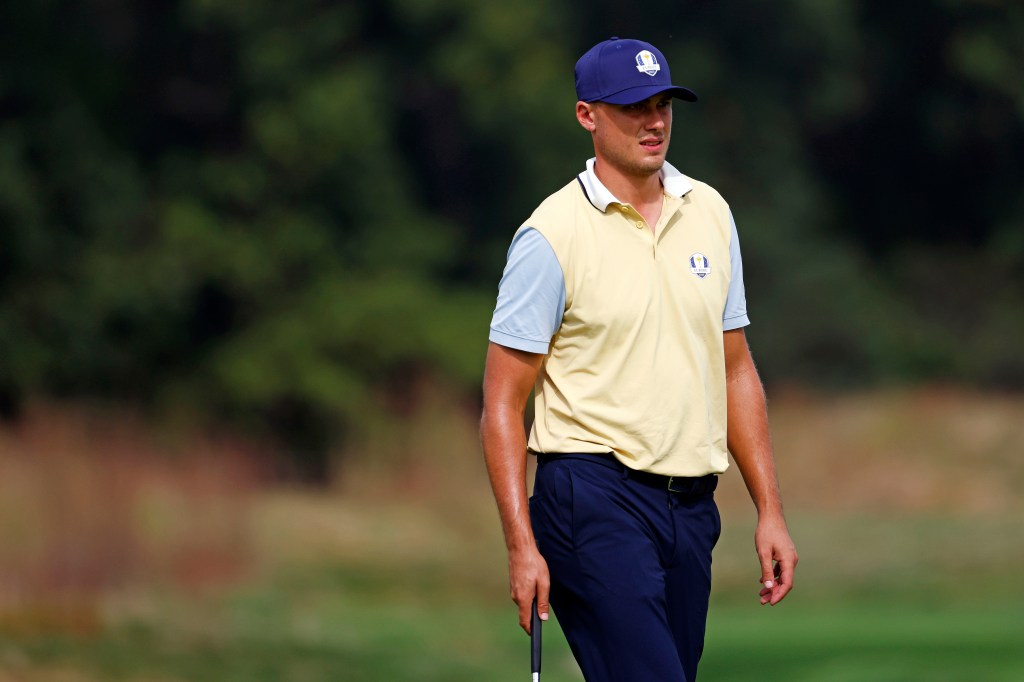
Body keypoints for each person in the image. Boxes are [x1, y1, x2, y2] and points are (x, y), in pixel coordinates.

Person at [480, 37, 798, 682]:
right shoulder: (551, 235)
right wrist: (521, 546)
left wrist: (770, 510)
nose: (653, 122)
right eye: (632, 108)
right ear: (587, 115)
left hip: (690, 508)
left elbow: (735, 368)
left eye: (662, 105)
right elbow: (502, 405)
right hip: (590, 499)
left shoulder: (709, 211)